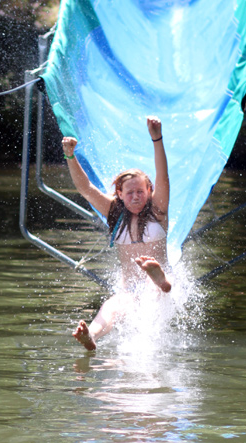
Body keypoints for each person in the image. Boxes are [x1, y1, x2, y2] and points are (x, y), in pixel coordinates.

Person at [62, 116, 172, 350]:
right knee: (111, 307)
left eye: (141, 192)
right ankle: (89, 336)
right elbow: (85, 189)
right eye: (130, 193)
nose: (136, 197)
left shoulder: (158, 210)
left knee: (157, 292)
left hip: (163, 287)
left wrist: (157, 138)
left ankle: (160, 278)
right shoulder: (114, 213)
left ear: (149, 191)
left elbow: (164, 176)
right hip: (130, 289)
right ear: (120, 194)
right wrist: (70, 156)